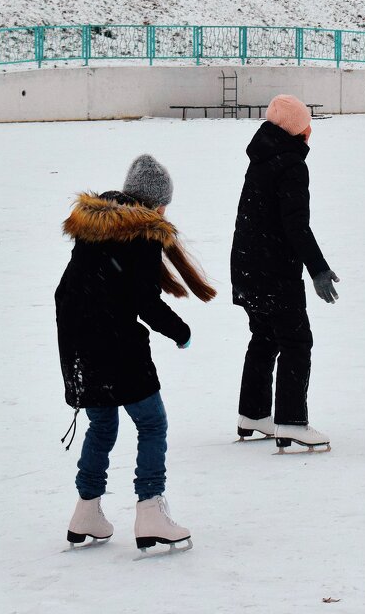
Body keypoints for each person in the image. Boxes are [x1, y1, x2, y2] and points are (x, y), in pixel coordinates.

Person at [55, 154, 216, 551]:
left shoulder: (94, 229)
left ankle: (86, 509)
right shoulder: (142, 235)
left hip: (79, 342)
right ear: (157, 203)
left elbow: (78, 289)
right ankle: (150, 512)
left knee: (103, 425)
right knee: (152, 423)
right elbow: (144, 301)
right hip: (116, 345)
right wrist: (181, 332)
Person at [231, 95, 339, 452]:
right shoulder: (291, 164)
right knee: (296, 341)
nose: (311, 131)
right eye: (307, 124)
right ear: (297, 129)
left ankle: (253, 414)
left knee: (264, 338)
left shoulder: (260, 159)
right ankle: (291, 421)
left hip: (247, 264)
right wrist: (319, 270)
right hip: (274, 270)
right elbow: (296, 226)